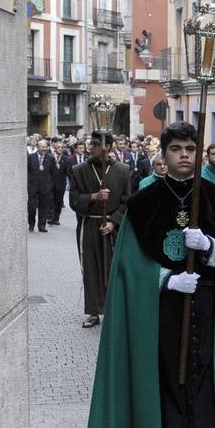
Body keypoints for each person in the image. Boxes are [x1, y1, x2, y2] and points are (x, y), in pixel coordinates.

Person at [80, 121, 215, 428]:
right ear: (164, 154)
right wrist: (164, 279)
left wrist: (209, 248)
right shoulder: (144, 203)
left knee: (206, 380)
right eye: (177, 149)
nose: (185, 156)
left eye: (191, 148)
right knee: (167, 381)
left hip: (207, 306)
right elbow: (128, 265)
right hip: (161, 311)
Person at [68, 131, 135, 328]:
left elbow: (126, 201)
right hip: (89, 224)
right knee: (90, 268)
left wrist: (113, 221)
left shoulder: (122, 170)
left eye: (97, 144)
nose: (93, 148)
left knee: (113, 268)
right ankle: (93, 312)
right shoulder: (79, 170)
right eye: (92, 143)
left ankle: (114, 310)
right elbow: (73, 200)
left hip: (112, 228)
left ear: (109, 147)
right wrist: (93, 197)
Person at [27, 138, 56, 232]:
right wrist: (29, 183)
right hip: (33, 186)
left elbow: (53, 173)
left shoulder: (51, 158)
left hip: (45, 187)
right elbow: (26, 171)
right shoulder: (30, 157)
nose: (44, 149)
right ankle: (31, 224)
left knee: (44, 207)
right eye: (42, 147)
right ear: (37, 147)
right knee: (31, 207)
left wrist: (50, 185)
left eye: (46, 147)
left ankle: (42, 226)